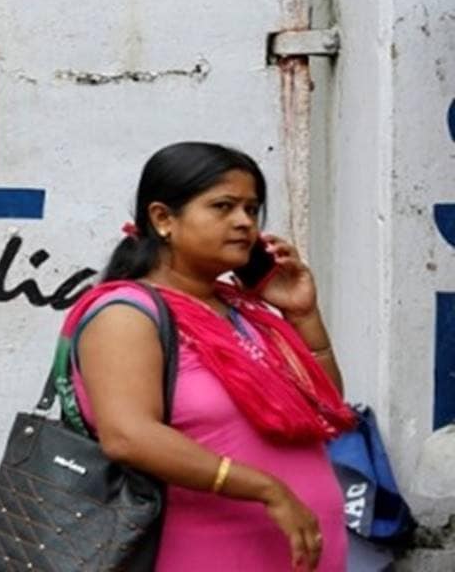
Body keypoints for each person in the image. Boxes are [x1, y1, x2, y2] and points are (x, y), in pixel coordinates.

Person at [67, 142, 356, 571]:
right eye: (224, 206)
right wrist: (267, 489)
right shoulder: (127, 313)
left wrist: (302, 315)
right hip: (201, 553)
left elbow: (324, 405)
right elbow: (128, 435)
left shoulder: (243, 311)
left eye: (251, 209)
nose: (244, 222)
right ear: (163, 218)